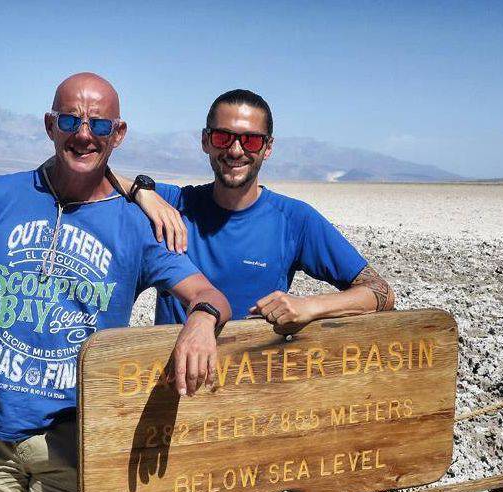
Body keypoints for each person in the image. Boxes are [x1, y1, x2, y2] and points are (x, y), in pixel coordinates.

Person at [0, 72, 230, 492]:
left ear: (118, 134)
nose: (84, 135)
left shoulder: (135, 227)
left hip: (77, 438)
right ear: (50, 125)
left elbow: (208, 293)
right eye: (70, 121)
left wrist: (201, 321)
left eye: (100, 125)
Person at [115, 89, 394, 328]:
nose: (236, 150)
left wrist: (309, 307)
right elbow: (85, 178)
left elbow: (379, 291)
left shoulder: (294, 220)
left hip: (251, 381)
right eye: (223, 137)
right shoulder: (173, 204)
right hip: (175, 382)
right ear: (205, 141)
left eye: (251, 140)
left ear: (268, 147)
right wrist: (142, 191)